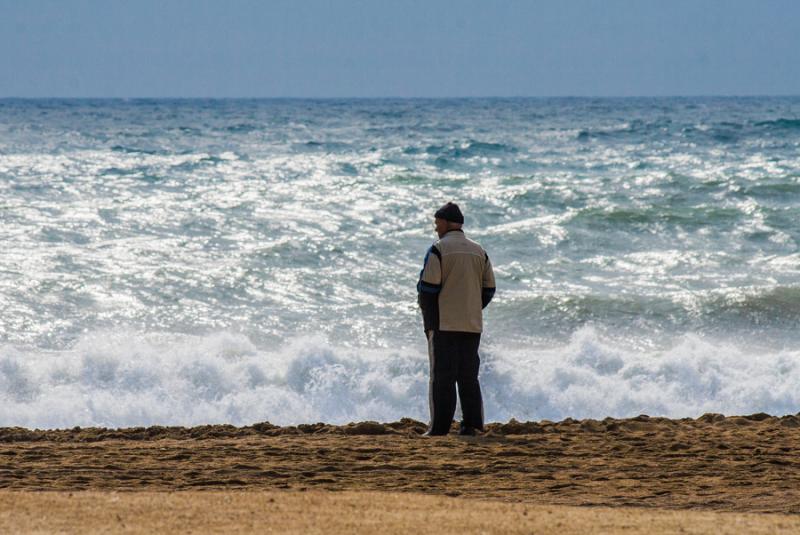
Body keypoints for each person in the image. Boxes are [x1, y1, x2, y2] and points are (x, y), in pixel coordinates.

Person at [417, 202, 496, 436]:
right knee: (468, 377)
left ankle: (439, 428)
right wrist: (472, 307)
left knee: (442, 378)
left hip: (444, 324)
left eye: (437, 223)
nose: (435, 228)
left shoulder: (439, 249)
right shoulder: (479, 250)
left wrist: (430, 321)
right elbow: (489, 288)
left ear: (447, 223)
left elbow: (428, 289)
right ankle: (472, 425)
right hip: (472, 324)